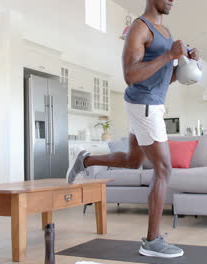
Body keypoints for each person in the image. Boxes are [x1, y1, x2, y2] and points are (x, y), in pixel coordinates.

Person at [67, 0, 199, 258]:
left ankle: (86, 160)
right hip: (144, 104)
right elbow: (130, 74)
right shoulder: (140, 28)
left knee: (132, 160)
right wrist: (169, 55)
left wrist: (184, 66)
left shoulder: (166, 32)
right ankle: (151, 241)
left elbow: (162, 77)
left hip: (153, 103)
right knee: (163, 169)